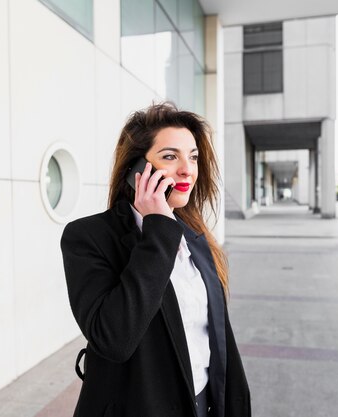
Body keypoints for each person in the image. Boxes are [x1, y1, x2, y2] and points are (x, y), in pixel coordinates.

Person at [60, 102, 251, 417]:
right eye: (170, 156)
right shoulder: (88, 237)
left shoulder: (197, 239)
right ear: (137, 171)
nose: (187, 169)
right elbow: (115, 338)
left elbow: (219, 342)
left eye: (192, 157)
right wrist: (159, 231)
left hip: (204, 404)